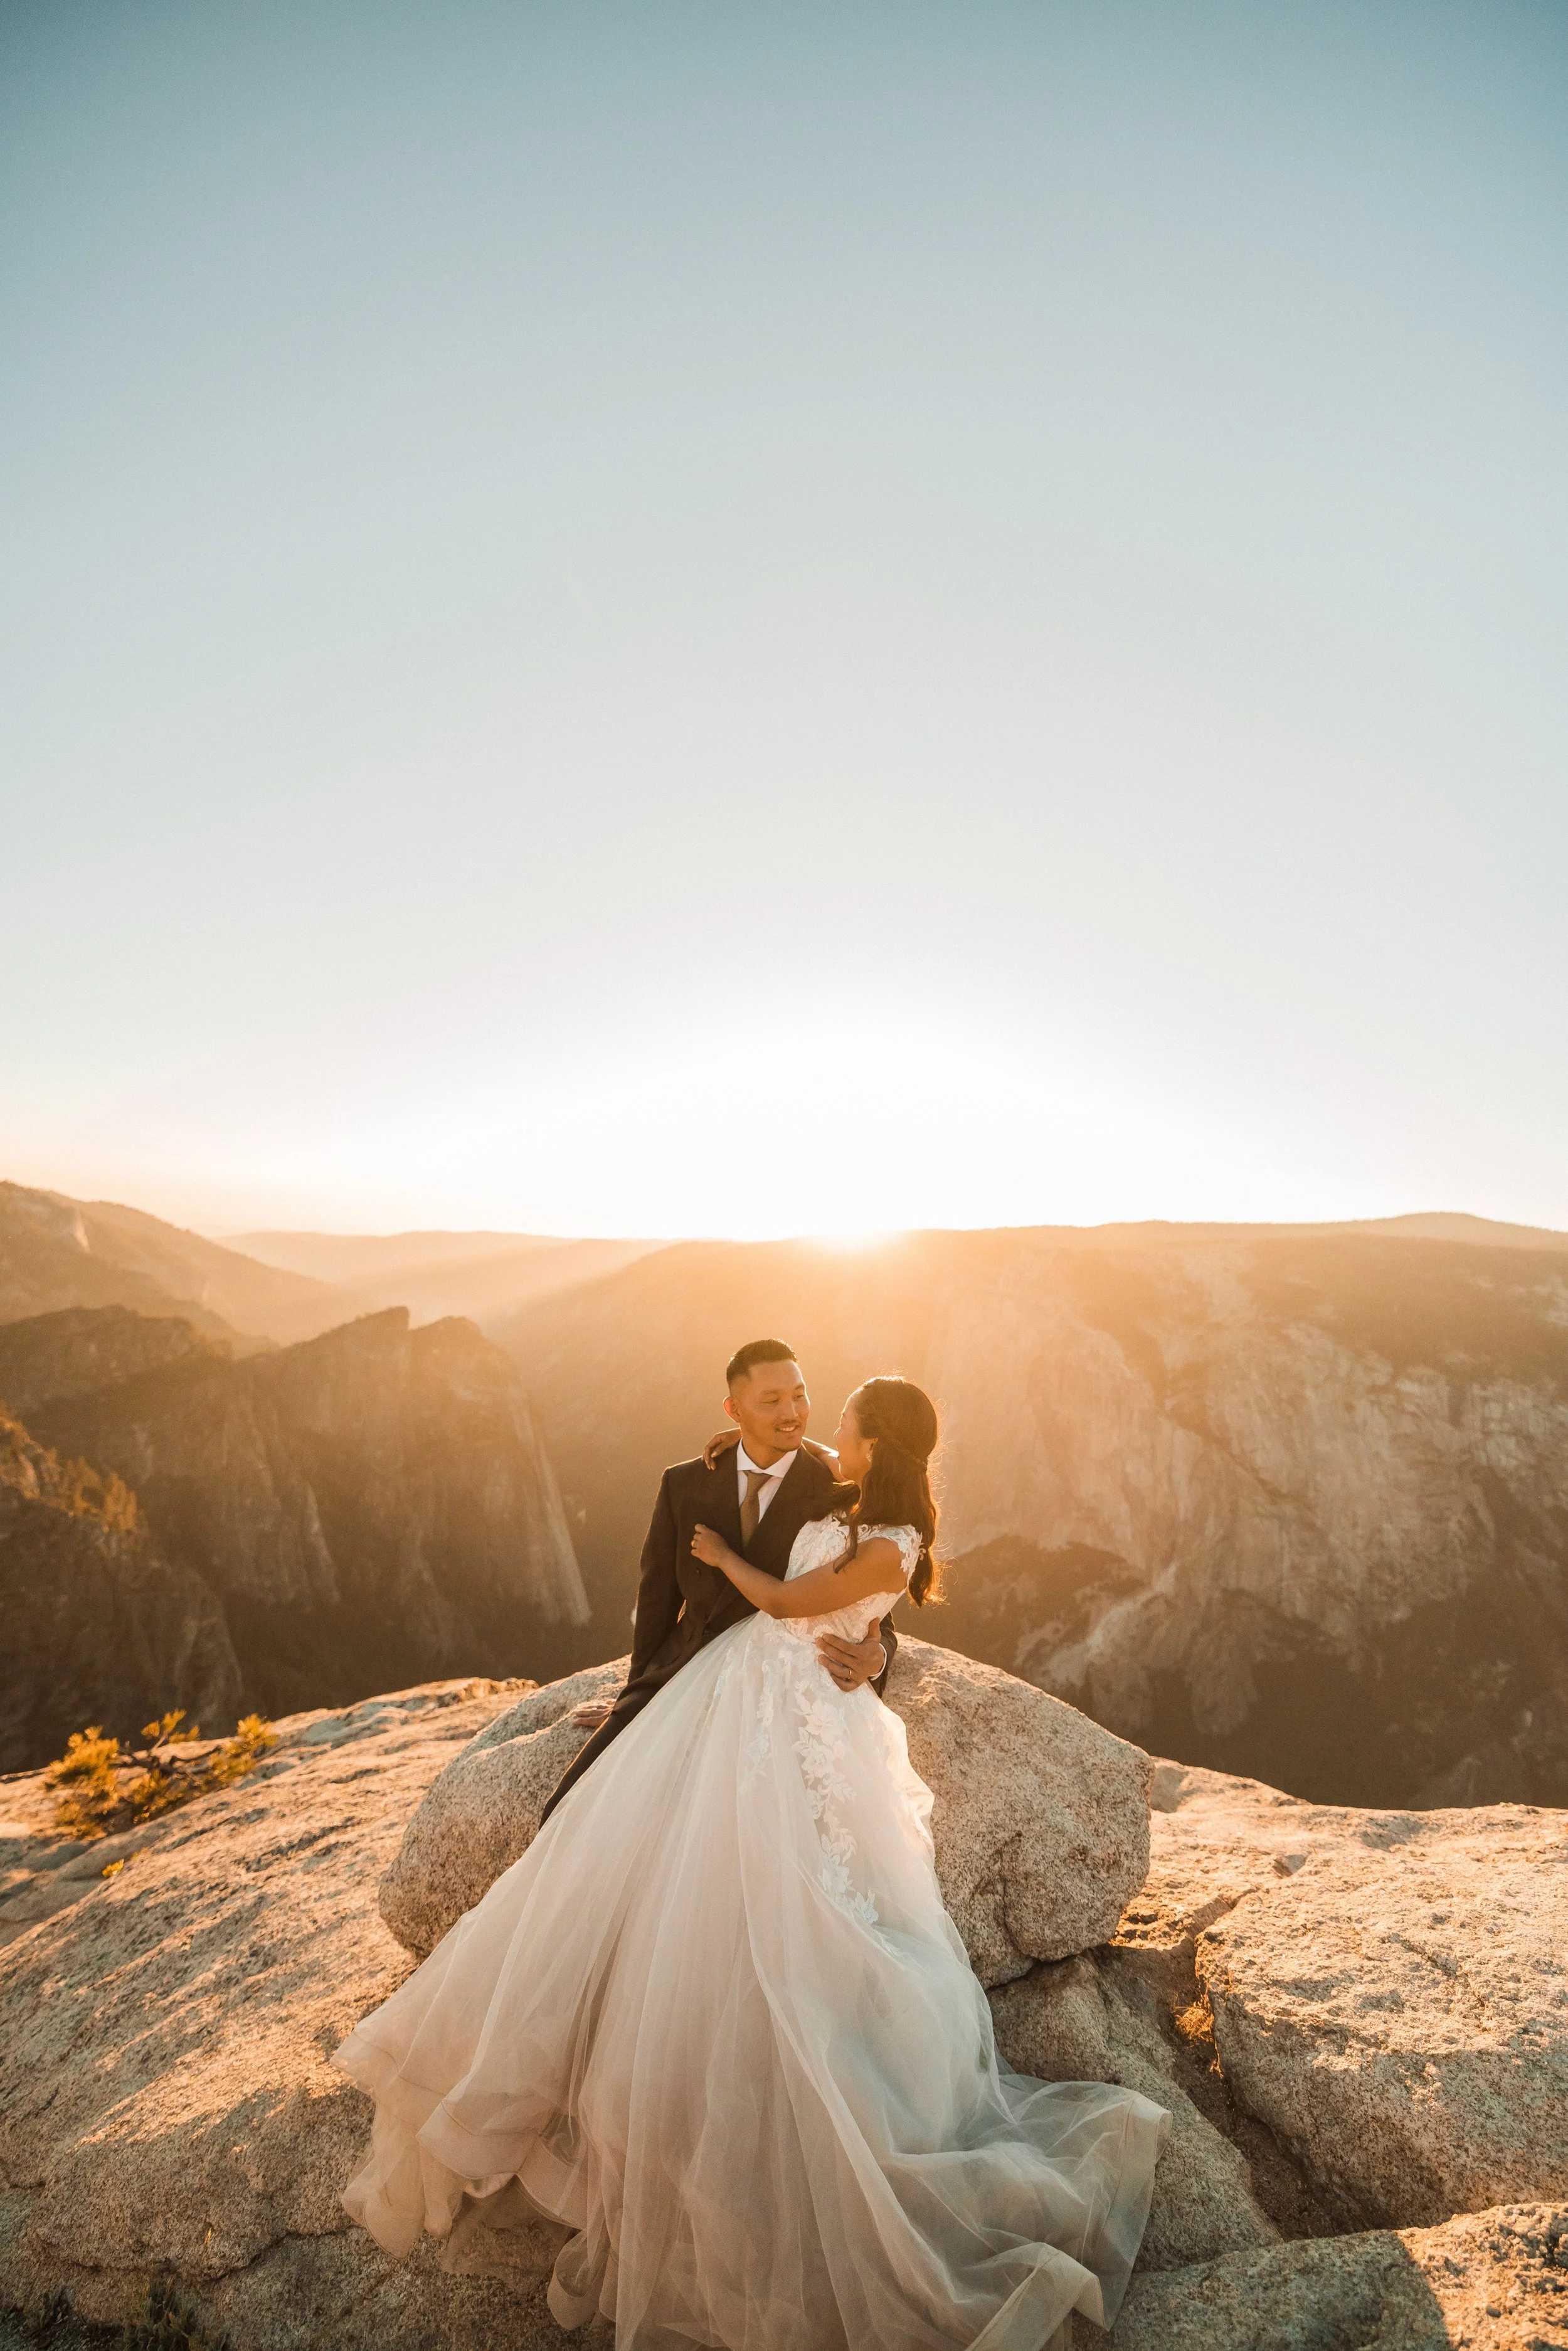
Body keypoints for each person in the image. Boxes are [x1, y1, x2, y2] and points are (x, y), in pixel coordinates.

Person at [332, 1372, 1170, 2348]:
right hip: (723, 1696)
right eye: (785, 1399)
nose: (817, 1420)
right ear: (739, 1402)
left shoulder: (862, 1511)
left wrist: (838, 1629)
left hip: (802, 1719)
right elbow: (673, 1602)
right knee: (664, 1868)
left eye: (834, 1411)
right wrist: (644, 1690)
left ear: (869, 1442)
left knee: (795, 1896)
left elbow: (813, 1599)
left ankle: (771, 2100)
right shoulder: (762, 1485)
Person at [541, 1339, 896, 1822]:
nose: (792, 1412)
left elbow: (875, 1608)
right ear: (734, 1410)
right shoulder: (683, 1485)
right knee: (567, 1816)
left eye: (800, 1395)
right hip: (682, 1675)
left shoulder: (839, 1494)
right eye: (770, 1402)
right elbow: (657, 1604)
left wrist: (877, 1657)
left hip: (772, 1707)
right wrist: (639, 1701)